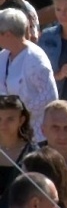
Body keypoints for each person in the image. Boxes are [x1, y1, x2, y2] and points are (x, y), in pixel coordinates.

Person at [0, 11, 53, 143]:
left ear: (7, 35)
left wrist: (19, 112)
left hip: (35, 137)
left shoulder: (35, 60)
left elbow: (49, 97)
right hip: (8, 135)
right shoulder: (3, 56)